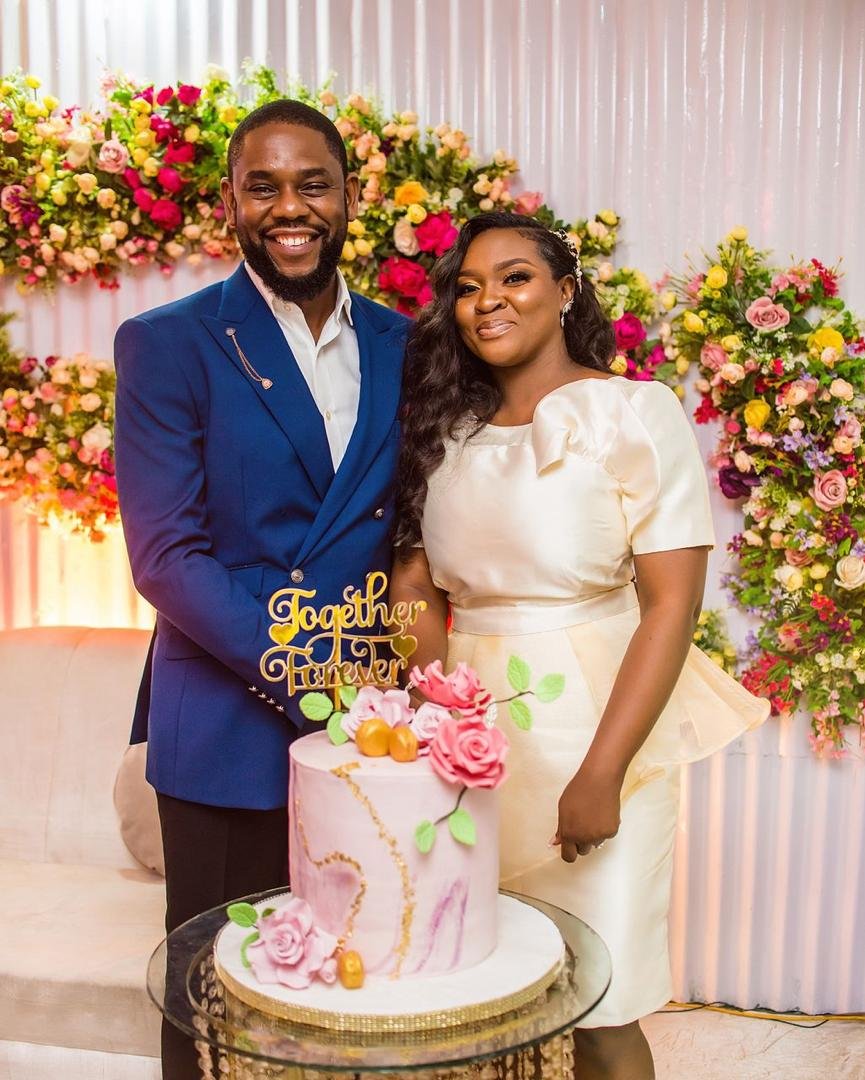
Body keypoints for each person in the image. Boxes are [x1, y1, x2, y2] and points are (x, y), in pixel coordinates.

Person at [390, 213, 768, 1080]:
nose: (488, 300)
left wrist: (601, 773)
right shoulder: (440, 429)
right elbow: (413, 583)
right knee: (484, 1000)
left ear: (565, 292)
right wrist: (433, 721)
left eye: (514, 277)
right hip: (471, 750)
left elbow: (671, 604)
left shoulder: (633, 412)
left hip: (602, 736)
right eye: (468, 287)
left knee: (600, 1004)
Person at [114, 99, 408, 1077]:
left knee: (355, 988)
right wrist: (318, 681)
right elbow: (166, 556)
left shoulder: (408, 344)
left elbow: (416, 527)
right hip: (228, 721)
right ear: (230, 203)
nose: (290, 207)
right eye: (263, 186)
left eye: (312, 183)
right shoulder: (170, 342)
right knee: (216, 1001)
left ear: (349, 196)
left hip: (370, 732)